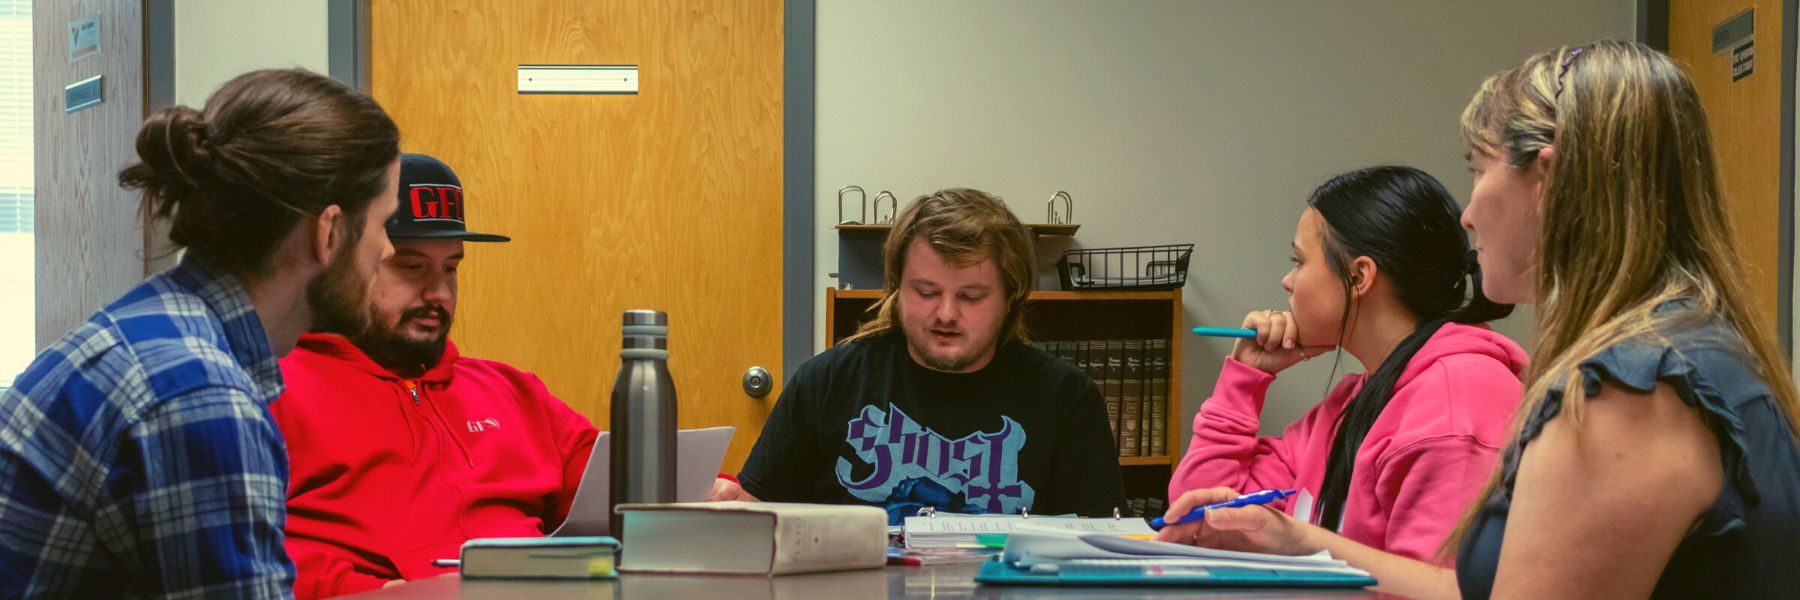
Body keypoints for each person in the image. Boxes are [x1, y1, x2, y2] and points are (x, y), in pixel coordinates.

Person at [1158, 40, 1800, 599]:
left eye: (1480, 169)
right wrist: (1296, 540)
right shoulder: (1689, 356)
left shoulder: (1631, 391)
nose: (1467, 215)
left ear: (1546, 179)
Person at [0, 69, 400, 598]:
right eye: (382, 223)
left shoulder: (148, 328)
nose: (388, 250)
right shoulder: (200, 396)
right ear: (327, 232)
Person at [274, 154, 599, 598]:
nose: (439, 293)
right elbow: (242, 548)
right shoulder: (276, 389)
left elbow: (625, 482)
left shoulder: (512, 390)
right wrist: (383, 592)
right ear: (344, 262)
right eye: (411, 267)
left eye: (451, 268)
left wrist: (704, 492)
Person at [1169, 165, 1524, 562]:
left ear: (1358, 277)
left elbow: (1430, 588)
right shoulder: (1352, 402)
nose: (1288, 281)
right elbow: (1204, 521)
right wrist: (1245, 378)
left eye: (1299, 261)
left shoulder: (1455, 405)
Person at [711, 188, 1126, 524]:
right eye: (925, 292)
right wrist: (728, 509)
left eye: (971, 296)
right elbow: (758, 516)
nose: (945, 313)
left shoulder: (1066, 397)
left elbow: (1097, 544)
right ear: (897, 287)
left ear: (1010, 298)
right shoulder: (826, 382)